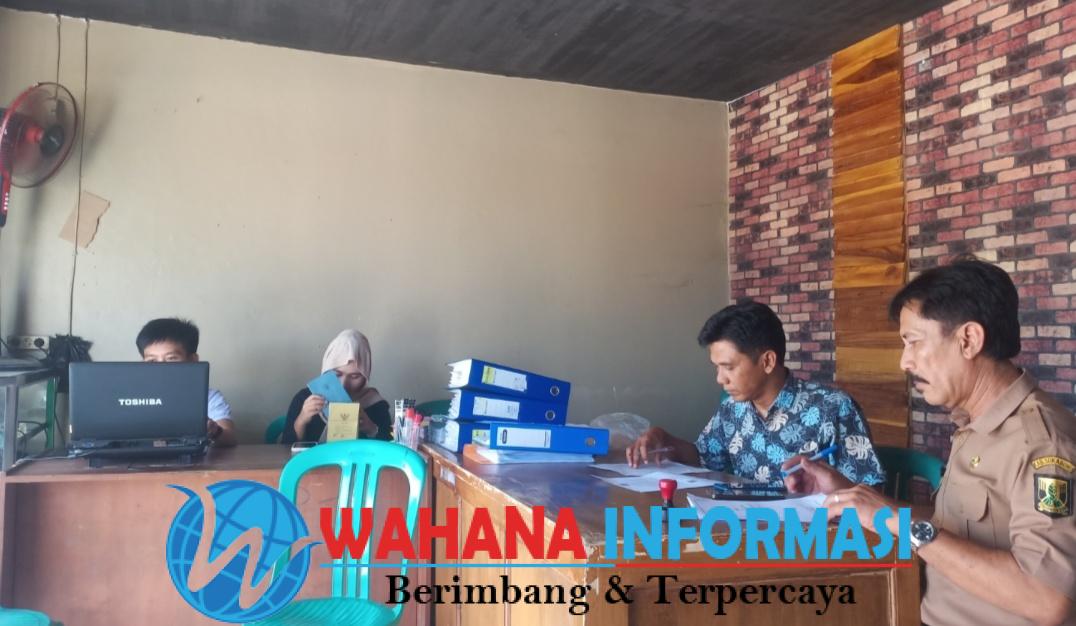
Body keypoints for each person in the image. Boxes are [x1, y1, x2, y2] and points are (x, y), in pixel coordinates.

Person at [784, 258, 1076, 625]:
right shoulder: (976, 424)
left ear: (968, 340)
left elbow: (1047, 598)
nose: (905, 362)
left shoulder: (1042, 444)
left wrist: (896, 521)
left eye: (914, 342)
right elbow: (946, 527)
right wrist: (853, 496)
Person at [626, 300, 884, 487]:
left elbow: (871, 494)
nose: (720, 379)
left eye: (728, 367)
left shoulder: (833, 409)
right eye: (717, 367)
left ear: (767, 361)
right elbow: (704, 456)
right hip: (749, 531)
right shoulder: (733, 409)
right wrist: (663, 439)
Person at [136, 317, 238, 447]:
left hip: (195, 459)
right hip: (142, 458)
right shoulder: (132, 397)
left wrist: (214, 431)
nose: (161, 367)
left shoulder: (209, 397)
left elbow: (230, 438)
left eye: (171, 358)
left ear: (192, 361)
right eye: (152, 361)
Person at [282, 329, 392, 443]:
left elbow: (391, 448)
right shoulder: (305, 399)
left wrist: (371, 428)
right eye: (337, 375)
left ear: (365, 377)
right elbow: (285, 446)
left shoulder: (376, 405)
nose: (343, 384)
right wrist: (301, 421)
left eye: (354, 376)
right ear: (326, 371)